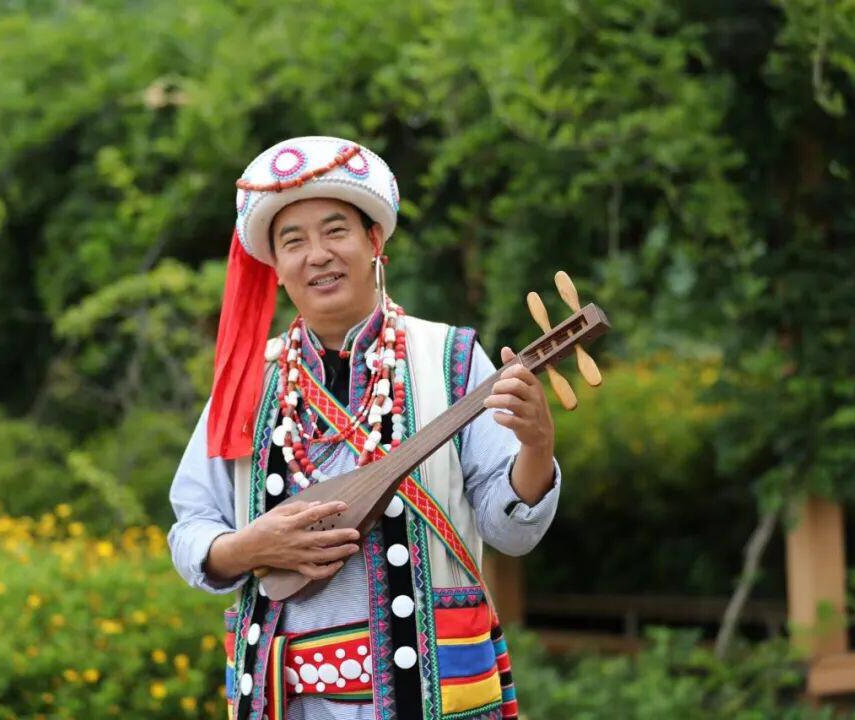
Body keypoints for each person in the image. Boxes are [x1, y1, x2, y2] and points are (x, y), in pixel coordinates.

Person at [167, 136, 562, 720]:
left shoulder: (452, 359)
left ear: (374, 241)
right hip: (286, 701)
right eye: (293, 241)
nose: (317, 255)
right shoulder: (247, 382)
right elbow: (192, 526)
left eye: (335, 231)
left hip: (430, 697)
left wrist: (537, 446)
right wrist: (248, 547)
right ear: (275, 268)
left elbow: (511, 532)